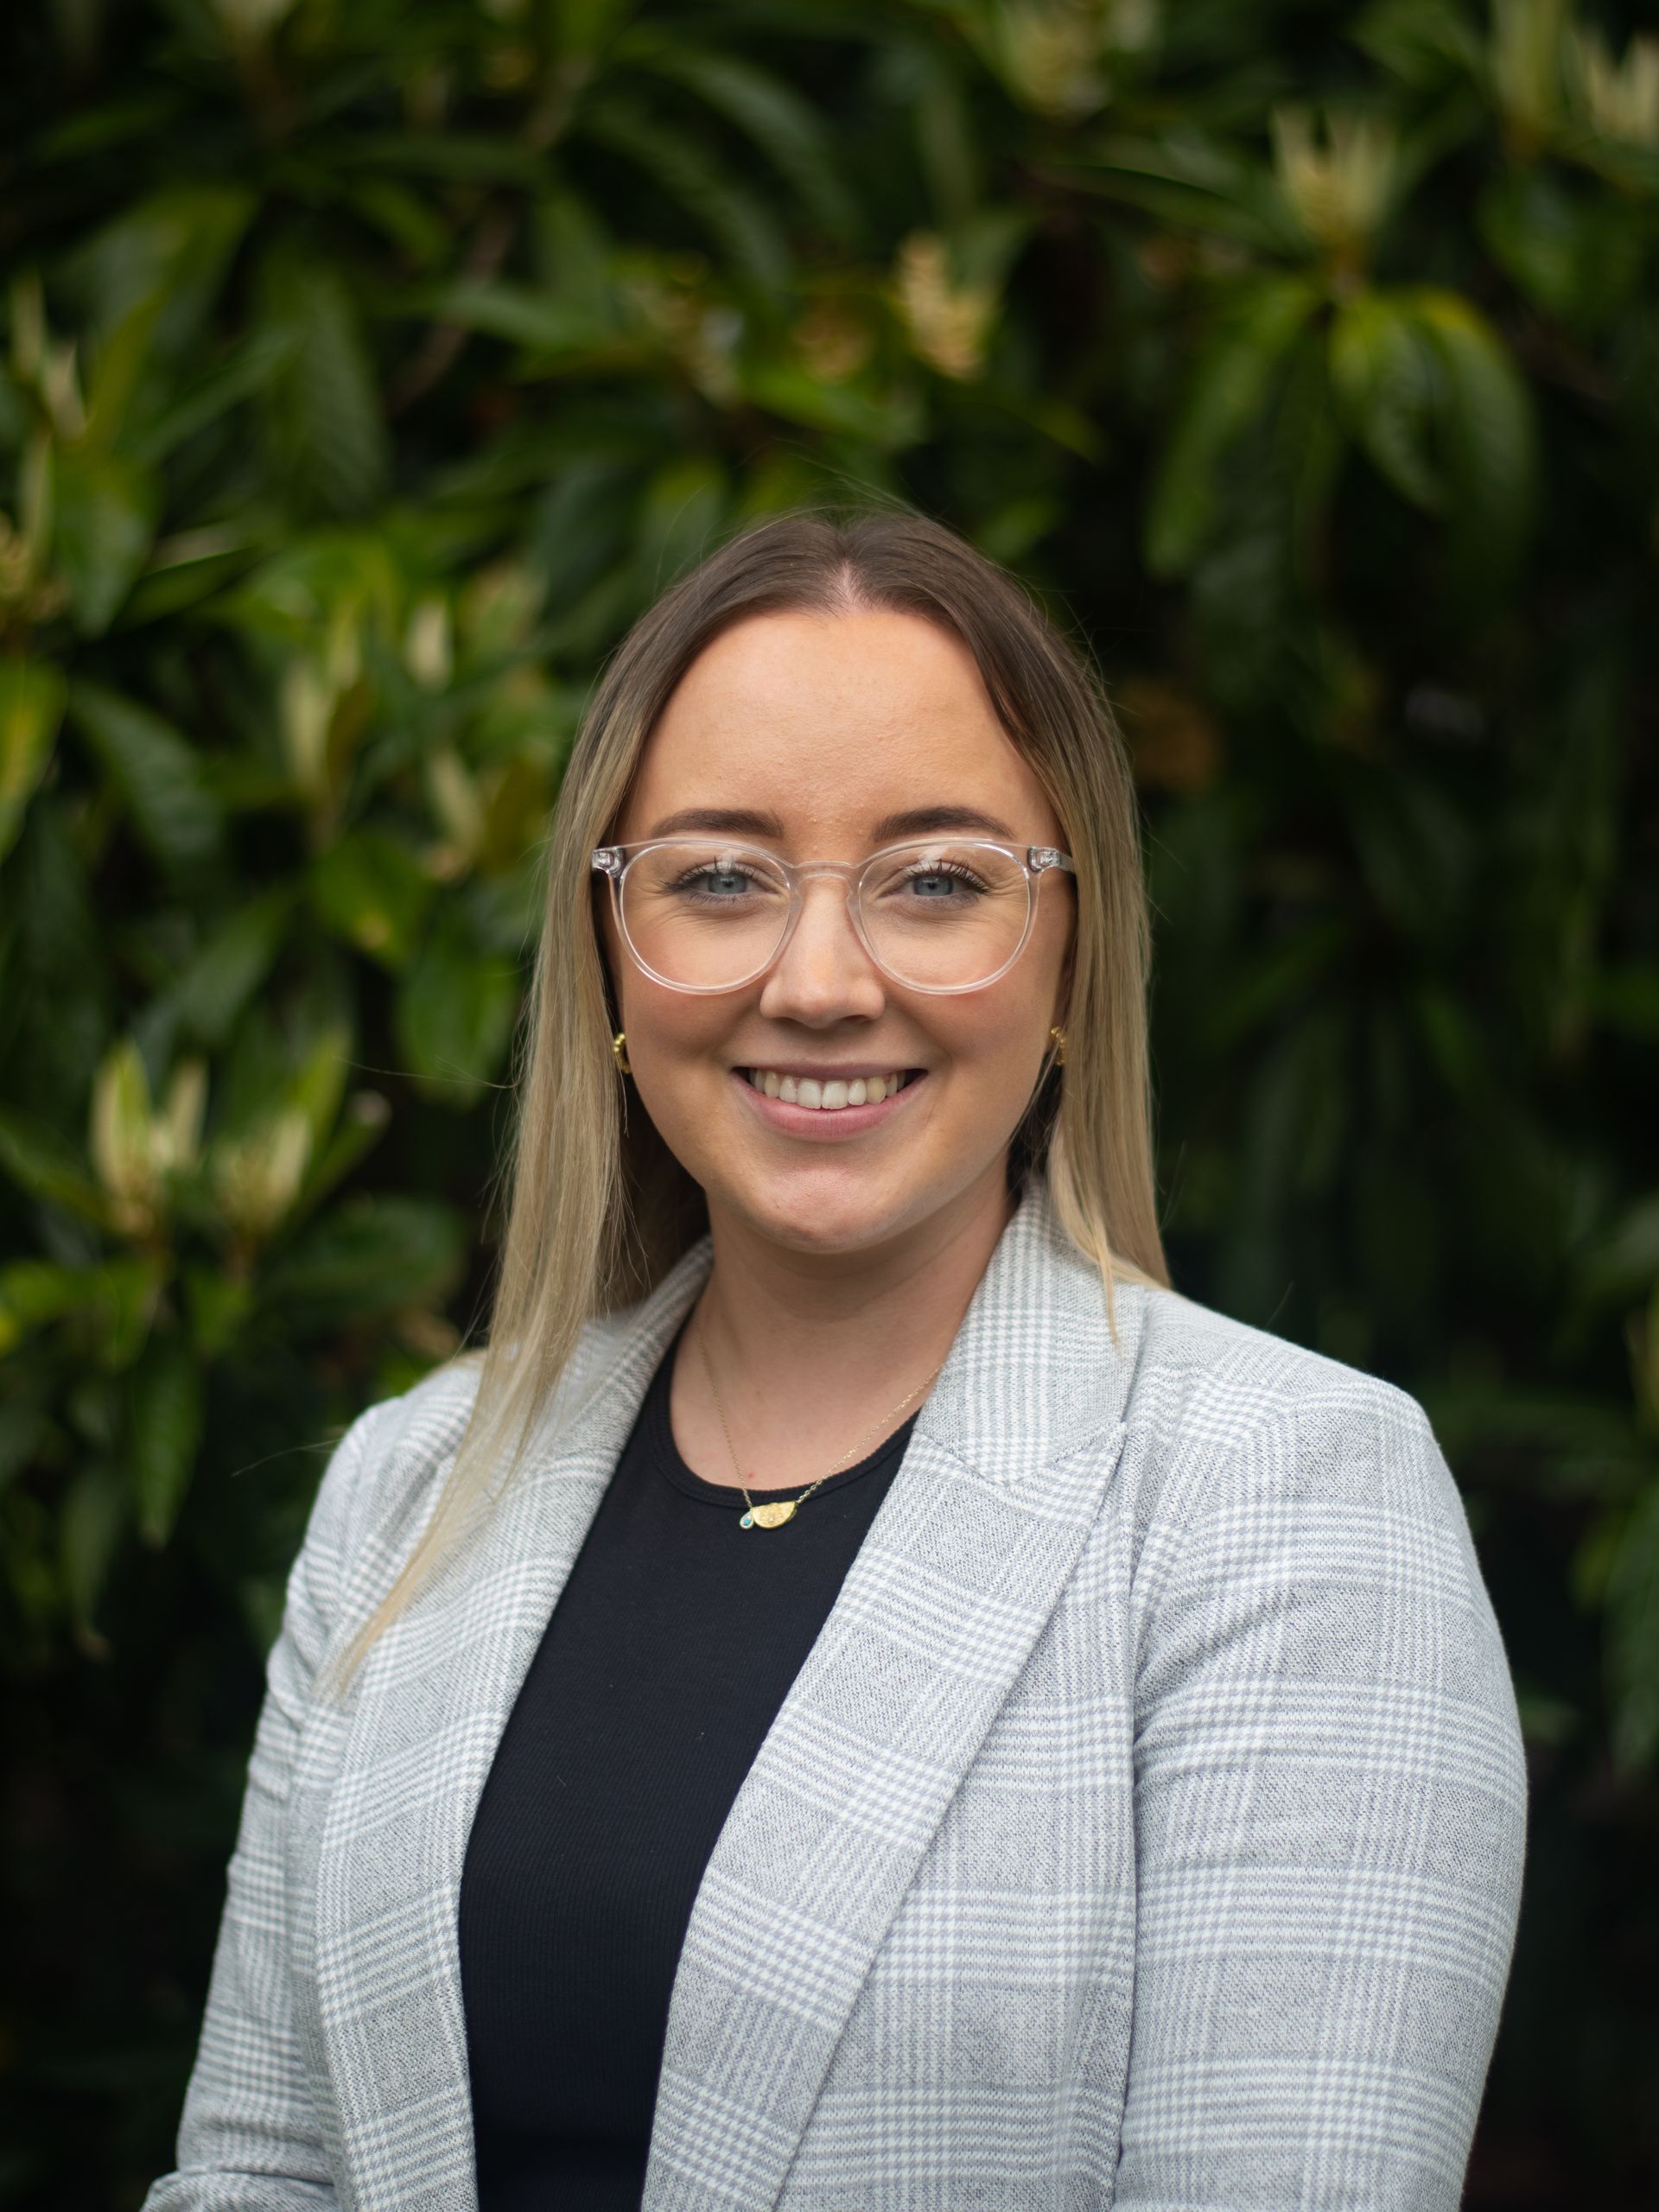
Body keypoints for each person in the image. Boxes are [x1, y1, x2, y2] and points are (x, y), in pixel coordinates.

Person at [143, 506, 1527, 2212]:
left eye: (937, 880)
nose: (816, 979)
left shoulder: (1289, 1504)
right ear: (610, 950)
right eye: (720, 875)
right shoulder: (411, 1486)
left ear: (1074, 945)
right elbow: (256, 2170)